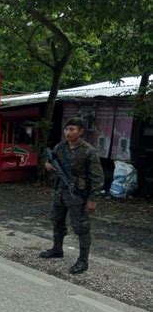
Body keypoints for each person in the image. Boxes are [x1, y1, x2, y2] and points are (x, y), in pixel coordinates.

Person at [40, 117, 104, 274]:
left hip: (77, 195)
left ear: (81, 131)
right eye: (66, 129)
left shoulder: (89, 151)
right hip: (60, 192)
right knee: (57, 220)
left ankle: (83, 261)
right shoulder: (60, 147)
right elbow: (49, 160)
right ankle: (57, 249)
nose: (68, 133)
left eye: (72, 129)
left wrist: (93, 200)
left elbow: (98, 178)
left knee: (81, 228)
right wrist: (47, 165)